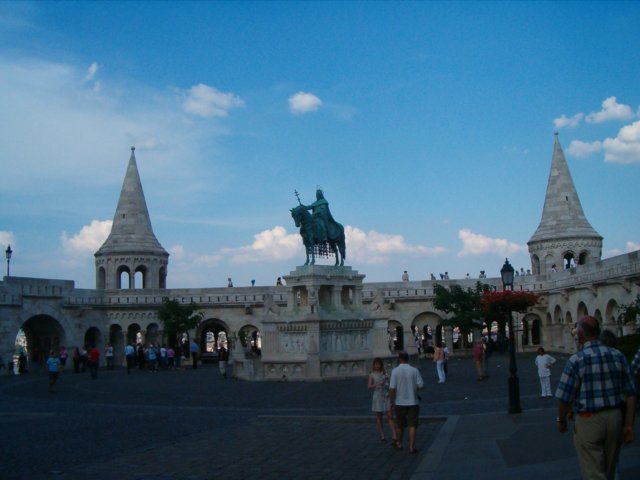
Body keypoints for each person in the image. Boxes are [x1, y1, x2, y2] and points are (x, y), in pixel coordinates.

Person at [555, 316, 636, 480]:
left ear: (581, 334)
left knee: (593, 472)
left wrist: (561, 420)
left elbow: (564, 397)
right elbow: (631, 393)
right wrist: (628, 424)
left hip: (589, 419)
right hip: (615, 417)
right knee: (610, 471)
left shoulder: (576, 359)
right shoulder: (618, 355)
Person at [389, 351, 424, 454]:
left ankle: (399, 443)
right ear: (408, 359)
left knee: (400, 425)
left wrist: (392, 402)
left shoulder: (395, 371)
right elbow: (421, 385)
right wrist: (413, 387)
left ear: (399, 359)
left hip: (400, 402)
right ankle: (411, 447)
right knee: (412, 425)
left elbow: (392, 388)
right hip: (413, 401)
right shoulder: (414, 370)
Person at [368, 358, 397, 444]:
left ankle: (394, 435)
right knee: (379, 416)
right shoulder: (372, 374)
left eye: (378, 364)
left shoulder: (385, 373)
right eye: (376, 364)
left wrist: (388, 379)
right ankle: (382, 435)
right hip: (377, 396)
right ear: (374, 365)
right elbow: (369, 386)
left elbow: (391, 382)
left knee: (390, 415)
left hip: (386, 395)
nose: (377, 366)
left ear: (381, 365)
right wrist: (377, 384)